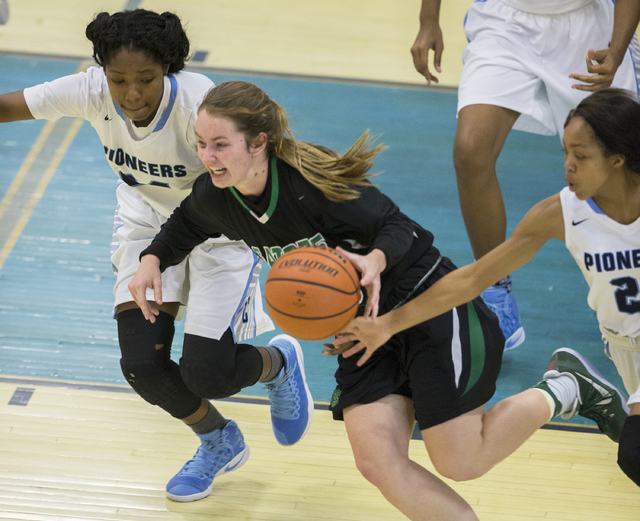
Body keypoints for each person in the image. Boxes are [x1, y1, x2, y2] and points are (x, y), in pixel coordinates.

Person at [127, 80, 627, 520]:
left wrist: (376, 261)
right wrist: (153, 258)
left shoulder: (310, 187)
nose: (207, 157)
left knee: (459, 460)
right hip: (363, 333)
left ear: (259, 143)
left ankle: (567, 388)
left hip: (428, 305)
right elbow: (187, 223)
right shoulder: (217, 195)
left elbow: (400, 227)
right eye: (201, 144)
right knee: (378, 462)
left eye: (220, 145)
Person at [0, 9, 313, 503]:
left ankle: (278, 363)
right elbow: (7, 106)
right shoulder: (90, 91)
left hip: (220, 234)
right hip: (148, 225)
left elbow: (268, 166)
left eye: (145, 79)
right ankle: (217, 440)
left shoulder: (199, 106)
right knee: (142, 365)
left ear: (168, 69)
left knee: (207, 372)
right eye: (118, 79)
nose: (131, 94)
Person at [335, 88, 640, 502]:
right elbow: (472, 280)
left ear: (618, 159)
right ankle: (577, 387)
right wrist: (386, 325)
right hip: (626, 351)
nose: (567, 165)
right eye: (565, 151)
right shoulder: (561, 212)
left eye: (581, 156)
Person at [411, 0, 640, 351]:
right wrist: (429, 19)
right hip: (505, 22)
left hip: (588, 28)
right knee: (471, 151)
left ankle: (626, 293)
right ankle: (495, 291)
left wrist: (619, 47)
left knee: (619, 166)